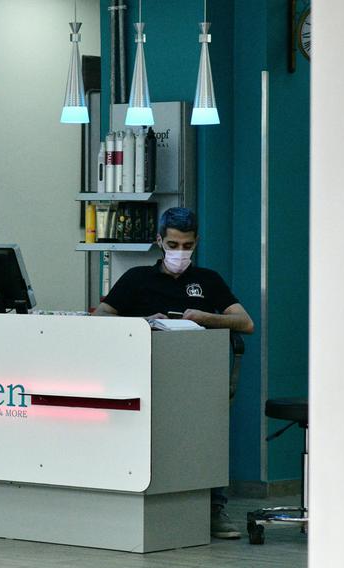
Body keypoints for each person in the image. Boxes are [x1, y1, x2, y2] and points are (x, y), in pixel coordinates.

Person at [93, 206, 254, 539]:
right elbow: (100, 318)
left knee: (207, 437)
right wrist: (142, 323)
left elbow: (245, 322)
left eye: (187, 245)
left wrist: (206, 318)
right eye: (173, 245)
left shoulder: (208, 280)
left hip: (198, 375)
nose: (180, 252)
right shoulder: (137, 279)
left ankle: (213, 508)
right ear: (159, 241)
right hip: (147, 374)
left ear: (196, 243)